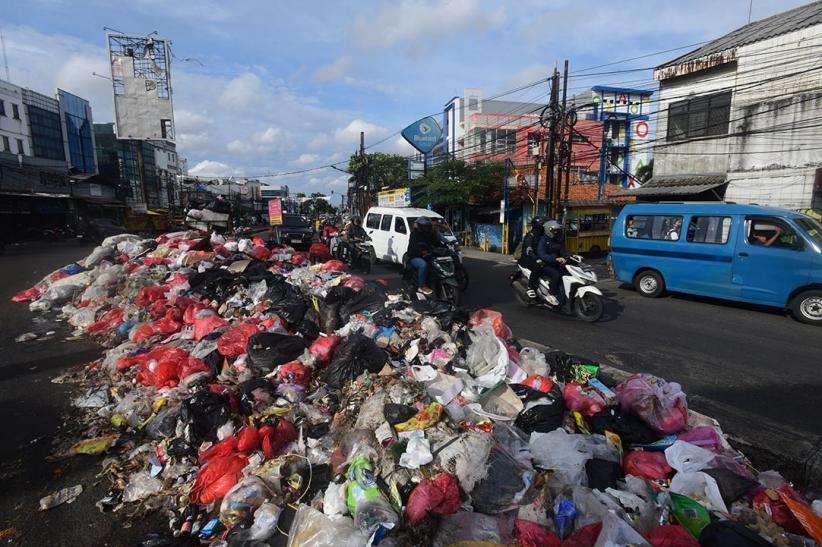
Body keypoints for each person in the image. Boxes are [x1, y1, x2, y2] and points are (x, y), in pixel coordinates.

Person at [536, 219, 570, 306]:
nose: (557, 233)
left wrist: (571, 256)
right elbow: (542, 254)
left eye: (558, 231)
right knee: (556, 275)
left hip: (556, 263)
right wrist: (555, 259)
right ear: (549, 230)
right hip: (545, 265)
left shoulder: (556, 240)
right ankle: (551, 294)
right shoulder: (542, 241)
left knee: (567, 273)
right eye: (555, 231)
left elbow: (563, 251)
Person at [407, 217, 445, 295]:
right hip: (415, 256)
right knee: (423, 265)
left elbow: (436, 242)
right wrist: (421, 251)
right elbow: (414, 245)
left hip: (428, 255)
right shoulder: (414, 234)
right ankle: (422, 286)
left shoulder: (429, 234)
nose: (427, 228)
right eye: (425, 226)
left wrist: (445, 248)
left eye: (428, 226)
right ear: (420, 226)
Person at [517, 216, 545, 300]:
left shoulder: (542, 235)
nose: (543, 226)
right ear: (537, 225)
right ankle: (530, 287)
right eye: (541, 224)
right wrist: (536, 259)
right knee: (537, 267)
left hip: (538, 256)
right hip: (527, 258)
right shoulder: (530, 235)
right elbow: (529, 250)